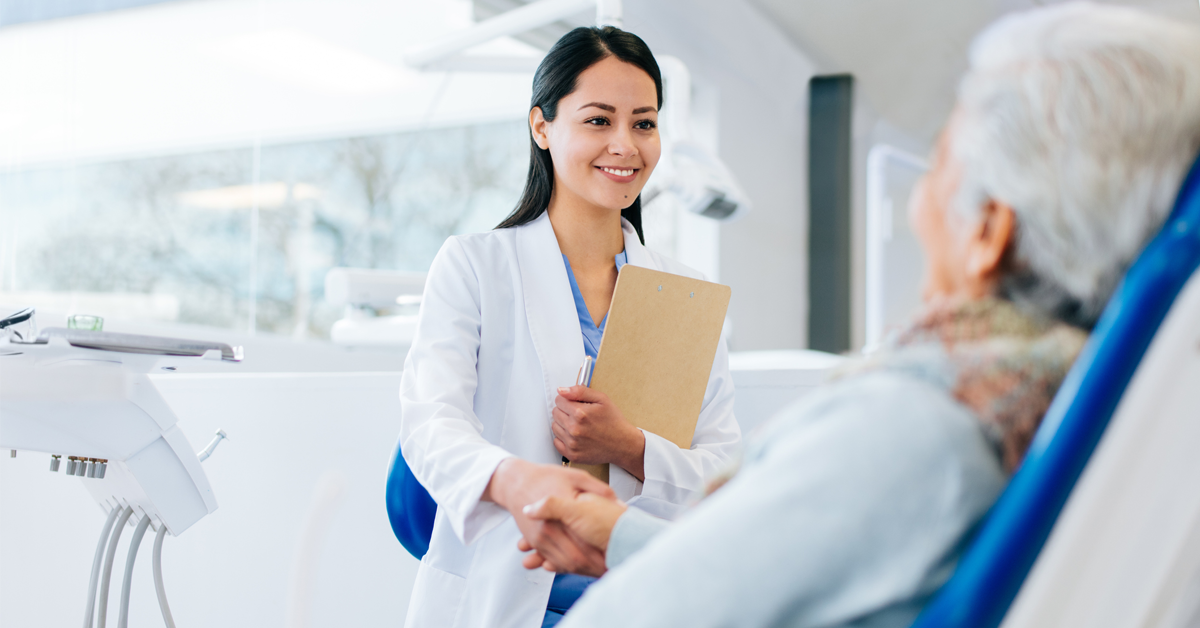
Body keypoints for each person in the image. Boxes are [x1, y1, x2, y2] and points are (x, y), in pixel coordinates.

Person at [515, 4, 1200, 627]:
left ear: (990, 233)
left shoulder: (919, 423)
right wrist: (621, 534)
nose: (917, 205)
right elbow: (789, 558)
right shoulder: (1085, 395)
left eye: (938, 167)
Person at [396, 26, 741, 628]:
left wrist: (629, 447)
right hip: (497, 590)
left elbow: (724, 471)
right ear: (541, 127)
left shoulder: (684, 296)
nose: (626, 146)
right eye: (598, 120)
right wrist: (517, 481)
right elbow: (429, 423)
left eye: (644, 123)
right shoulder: (476, 265)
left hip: (631, 597)